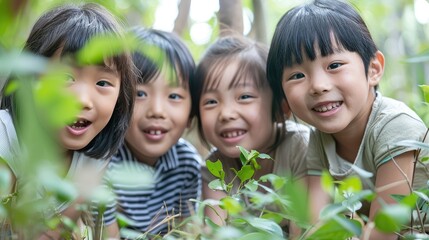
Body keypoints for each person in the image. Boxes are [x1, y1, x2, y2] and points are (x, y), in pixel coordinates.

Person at [266, 0, 429, 239]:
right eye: (298, 75)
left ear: (373, 69)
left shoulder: (394, 125)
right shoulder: (320, 137)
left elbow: (384, 231)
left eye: (334, 65)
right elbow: (312, 223)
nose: (318, 86)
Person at [0, 3, 136, 239]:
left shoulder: (94, 158)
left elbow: (62, 229)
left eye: (102, 83)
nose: (83, 100)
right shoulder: (7, 135)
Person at [190, 34, 310, 236]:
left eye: (244, 97)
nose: (226, 114)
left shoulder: (301, 147)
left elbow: (305, 231)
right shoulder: (214, 168)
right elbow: (217, 233)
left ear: (282, 107)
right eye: (211, 101)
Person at [98, 27, 201, 239]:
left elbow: (187, 232)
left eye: (174, 96)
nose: (157, 110)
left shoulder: (188, 164)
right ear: (118, 102)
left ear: (191, 114)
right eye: (141, 93)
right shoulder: (101, 164)